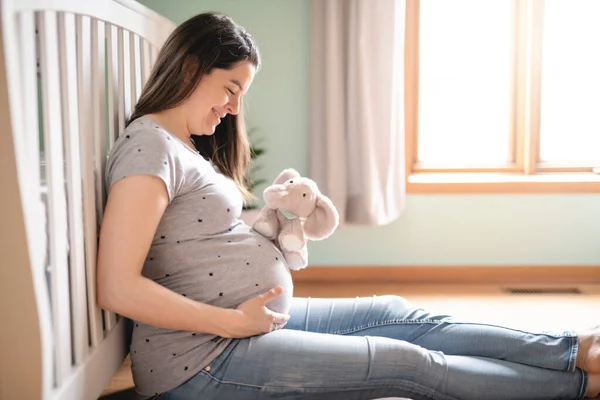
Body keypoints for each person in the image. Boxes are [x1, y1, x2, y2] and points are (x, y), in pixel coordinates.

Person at [96, 11, 600, 400]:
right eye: (230, 89)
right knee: (406, 362)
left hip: (244, 327)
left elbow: (195, 240)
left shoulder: (180, 146)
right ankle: (580, 386)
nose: (233, 109)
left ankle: (573, 350)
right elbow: (117, 286)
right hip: (201, 361)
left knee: (399, 314)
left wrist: (272, 224)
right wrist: (232, 322)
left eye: (239, 96)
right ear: (190, 67)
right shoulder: (149, 150)